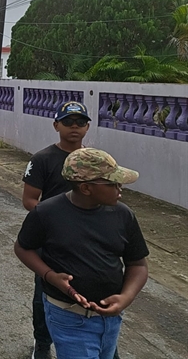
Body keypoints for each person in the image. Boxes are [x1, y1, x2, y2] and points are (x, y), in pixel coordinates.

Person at [15, 148, 149, 359]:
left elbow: (138, 264)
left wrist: (126, 297)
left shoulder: (123, 215)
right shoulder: (47, 213)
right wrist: (50, 276)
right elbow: (23, 247)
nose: (120, 188)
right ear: (86, 188)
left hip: (111, 321)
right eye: (112, 183)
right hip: (68, 316)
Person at [21, 101, 92, 359]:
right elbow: (29, 200)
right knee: (45, 294)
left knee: (89, 290)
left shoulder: (94, 161)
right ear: (56, 125)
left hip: (88, 239)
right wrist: (57, 221)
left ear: (87, 127)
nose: (75, 127)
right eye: (68, 121)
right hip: (50, 240)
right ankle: (42, 343)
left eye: (80, 122)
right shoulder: (42, 159)